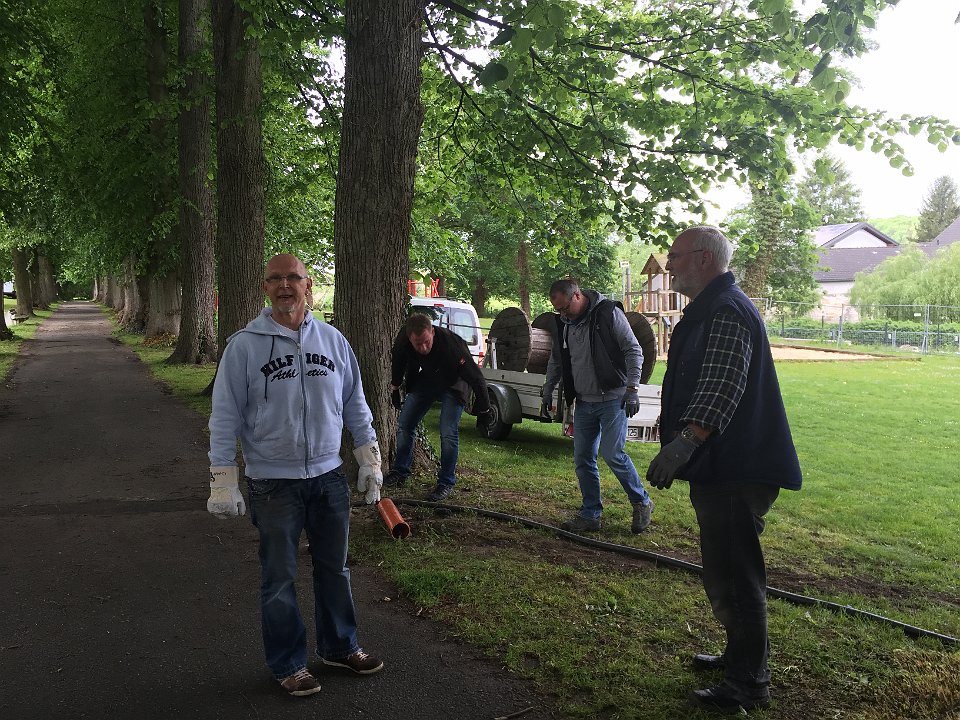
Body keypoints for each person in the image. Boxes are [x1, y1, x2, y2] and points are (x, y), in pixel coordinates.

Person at [207, 253, 384, 698]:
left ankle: (341, 646)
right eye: (276, 279)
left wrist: (369, 458)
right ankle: (288, 664)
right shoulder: (243, 346)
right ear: (265, 288)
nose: (285, 285)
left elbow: (355, 403)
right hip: (273, 483)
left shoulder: (333, 341)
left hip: (328, 476)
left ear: (308, 285)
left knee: (335, 569)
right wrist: (223, 479)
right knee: (280, 577)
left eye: (293, 278)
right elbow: (224, 415)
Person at [645, 226, 802, 712]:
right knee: (726, 571)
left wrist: (685, 443)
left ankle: (748, 683)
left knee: (735, 576)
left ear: (704, 259)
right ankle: (740, 658)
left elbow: (722, 385)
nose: (669, 265)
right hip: (723, 466)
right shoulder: (711, 308)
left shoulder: (727, 309)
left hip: (737, 467)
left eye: (675, 256)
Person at [541, 279, 655, 533]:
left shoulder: (607, 313)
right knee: (583, 459)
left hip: (613, 399)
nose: (562, 314)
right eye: (557, 310)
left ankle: (642, 501)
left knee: (612, 453)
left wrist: (633, 389)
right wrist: (548, 391)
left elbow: (633, 350)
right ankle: (590, 514)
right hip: (584, 402)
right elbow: (557, 360)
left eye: (565, 308)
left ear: (577, 296)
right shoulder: (564, 324)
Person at [384, 311, 492, 502]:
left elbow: (475, 377)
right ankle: (400, 471)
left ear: (432, 332)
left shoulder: (452, 345)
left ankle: (446, 482)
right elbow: (399, 361)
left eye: (426, 342)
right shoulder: (403, 340)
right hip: (429, 378)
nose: (423, 348)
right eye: (418, 344)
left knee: (447, 431)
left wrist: (485, 409)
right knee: (405, 424)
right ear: (409, 338)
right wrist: (395, 387)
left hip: (455, 382)